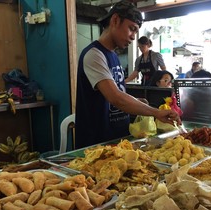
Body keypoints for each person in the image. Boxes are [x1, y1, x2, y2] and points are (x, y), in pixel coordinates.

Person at [74, 0, 180, 149]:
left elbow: (116, 94)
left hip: (117, 141)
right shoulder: (94, 55)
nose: (133, 37)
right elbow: (116, 98)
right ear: (115, 20)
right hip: (97, 144)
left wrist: (136, 101)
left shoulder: (113, 56)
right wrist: (155, 112)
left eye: (136, 32)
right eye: (131, 29)